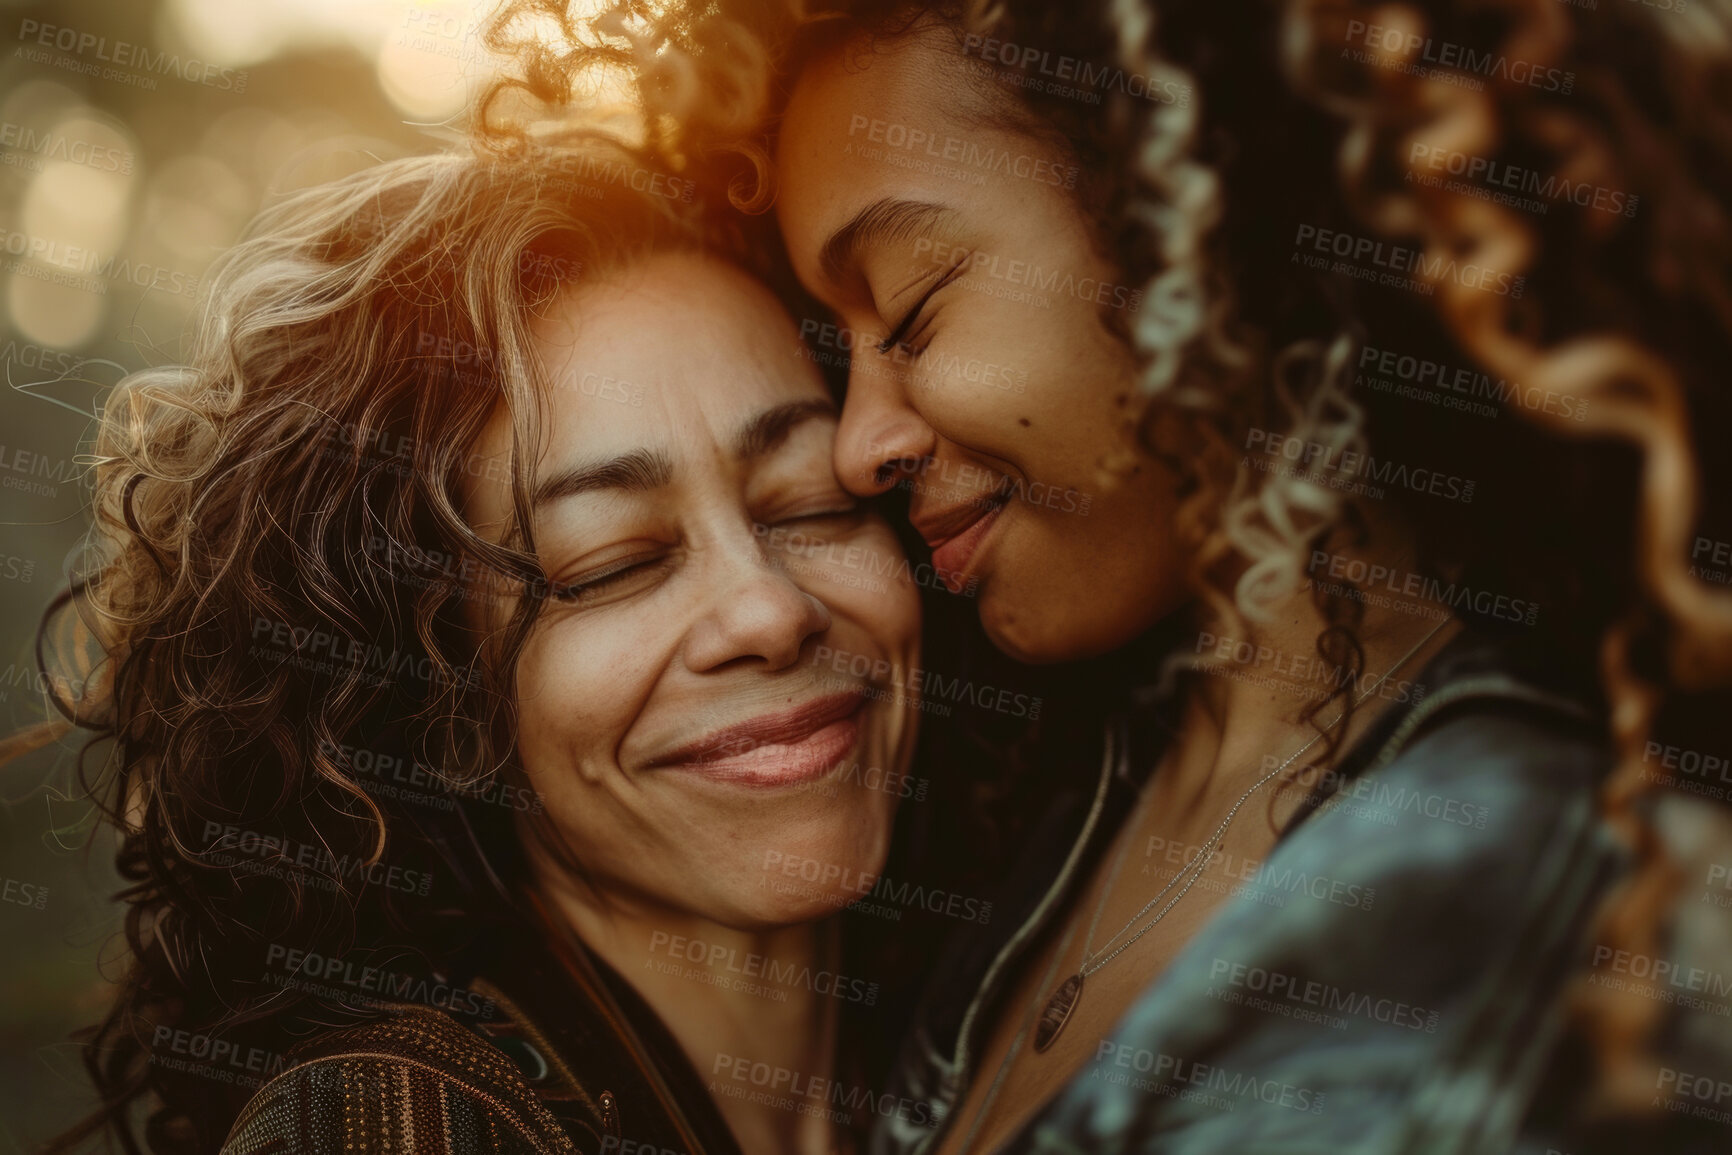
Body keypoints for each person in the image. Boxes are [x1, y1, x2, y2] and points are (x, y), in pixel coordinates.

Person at [492, 0, 1732, 1151]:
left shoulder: (1525, 876)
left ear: (1200, 228)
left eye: (912, 312)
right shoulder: (1054, 780)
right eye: (837, 352)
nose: (859, 446)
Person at [20, 140, 922, 1155]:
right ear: (438, 695)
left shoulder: (1010, 1025)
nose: (768, 609)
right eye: (610, 563)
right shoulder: (386, 1130)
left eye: (812, 499)